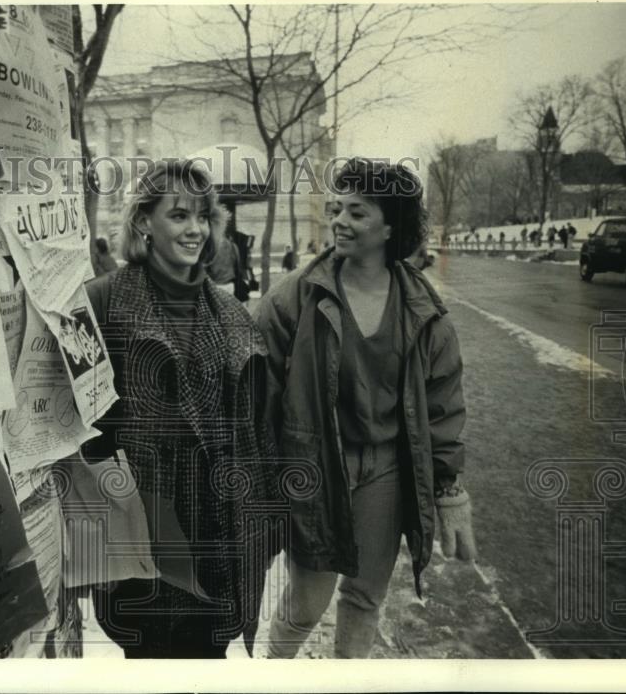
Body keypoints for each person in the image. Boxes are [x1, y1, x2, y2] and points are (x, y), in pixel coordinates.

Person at [256, 157, 475, 659]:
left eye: (357, 213)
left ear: (389, 227)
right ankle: (270, 675)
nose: (339, 221)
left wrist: (449, 487)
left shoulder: (424, 310)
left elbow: (443, 404)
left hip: (385, 473)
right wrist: (263, 471)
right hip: (314, 468)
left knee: (364, 597)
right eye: (338, 209)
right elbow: (259, 388)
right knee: (307, 603)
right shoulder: (295, 296)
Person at [83, 159, 281, 658]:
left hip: (219, 536)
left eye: (202, 217)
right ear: (143, 222)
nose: (194, 229)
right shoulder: (103, 301)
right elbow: (84, 429)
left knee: (207, 664)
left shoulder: (231, 311)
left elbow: (256, 429)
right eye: (178, 216)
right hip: (144, 536)